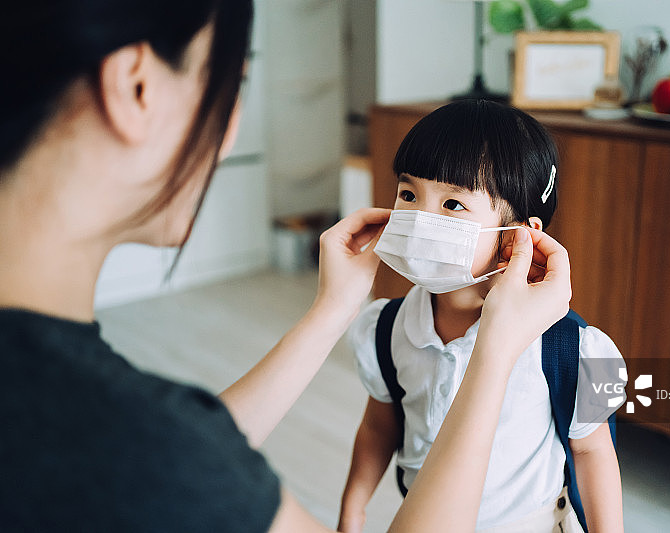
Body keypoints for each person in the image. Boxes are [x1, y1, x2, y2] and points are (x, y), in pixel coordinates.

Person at [0, 2, 573, 532]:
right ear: (138, 87)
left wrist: (330, 309)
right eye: (233, 87)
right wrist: (496, 349)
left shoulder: (102, 425)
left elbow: (171, 453)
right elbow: (169, 457)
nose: (228, 133)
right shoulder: (138, 437)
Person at [338, 101, 625, 533]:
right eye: (409, 194)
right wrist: (353, 508)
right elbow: (380, 427)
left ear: (519, 236)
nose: (418, 220)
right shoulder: (386, 328)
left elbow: (591, 453)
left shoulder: (571, 347)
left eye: (453, 204)